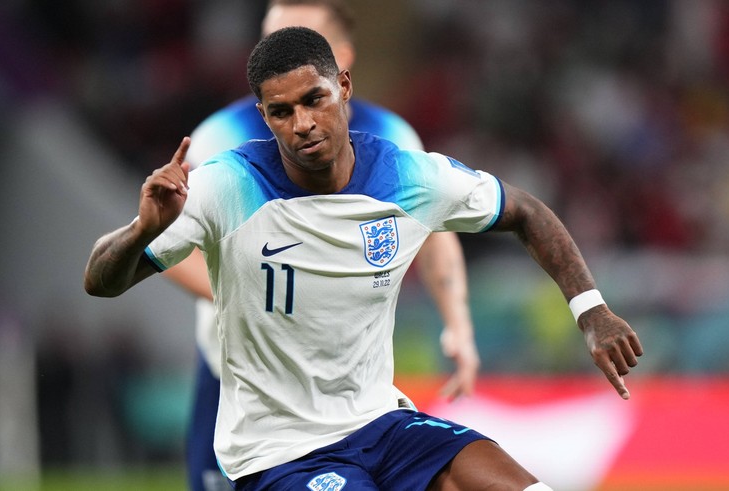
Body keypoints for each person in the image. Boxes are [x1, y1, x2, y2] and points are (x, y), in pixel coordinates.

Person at [84, 26, 643, 490]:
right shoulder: (224, 186)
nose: (302, 123)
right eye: (281, 112)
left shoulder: (407, 176)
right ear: (263, 116)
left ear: (343, 87)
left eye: (314, 100)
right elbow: (100, 281)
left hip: (383, 424)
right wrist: (142, 231)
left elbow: (524, 210)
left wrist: (590, 310)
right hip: (280, 450)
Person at [163, 2, 479, 488]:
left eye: (300, 38)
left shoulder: (393, 137)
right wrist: (257, 303)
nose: (280, 53)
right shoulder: (219, 139)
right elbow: (169, 246)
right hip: (240, 377)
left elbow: (435, 229)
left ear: (341, 62)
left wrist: (457, 321)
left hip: (344, 389)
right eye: (270, 38)